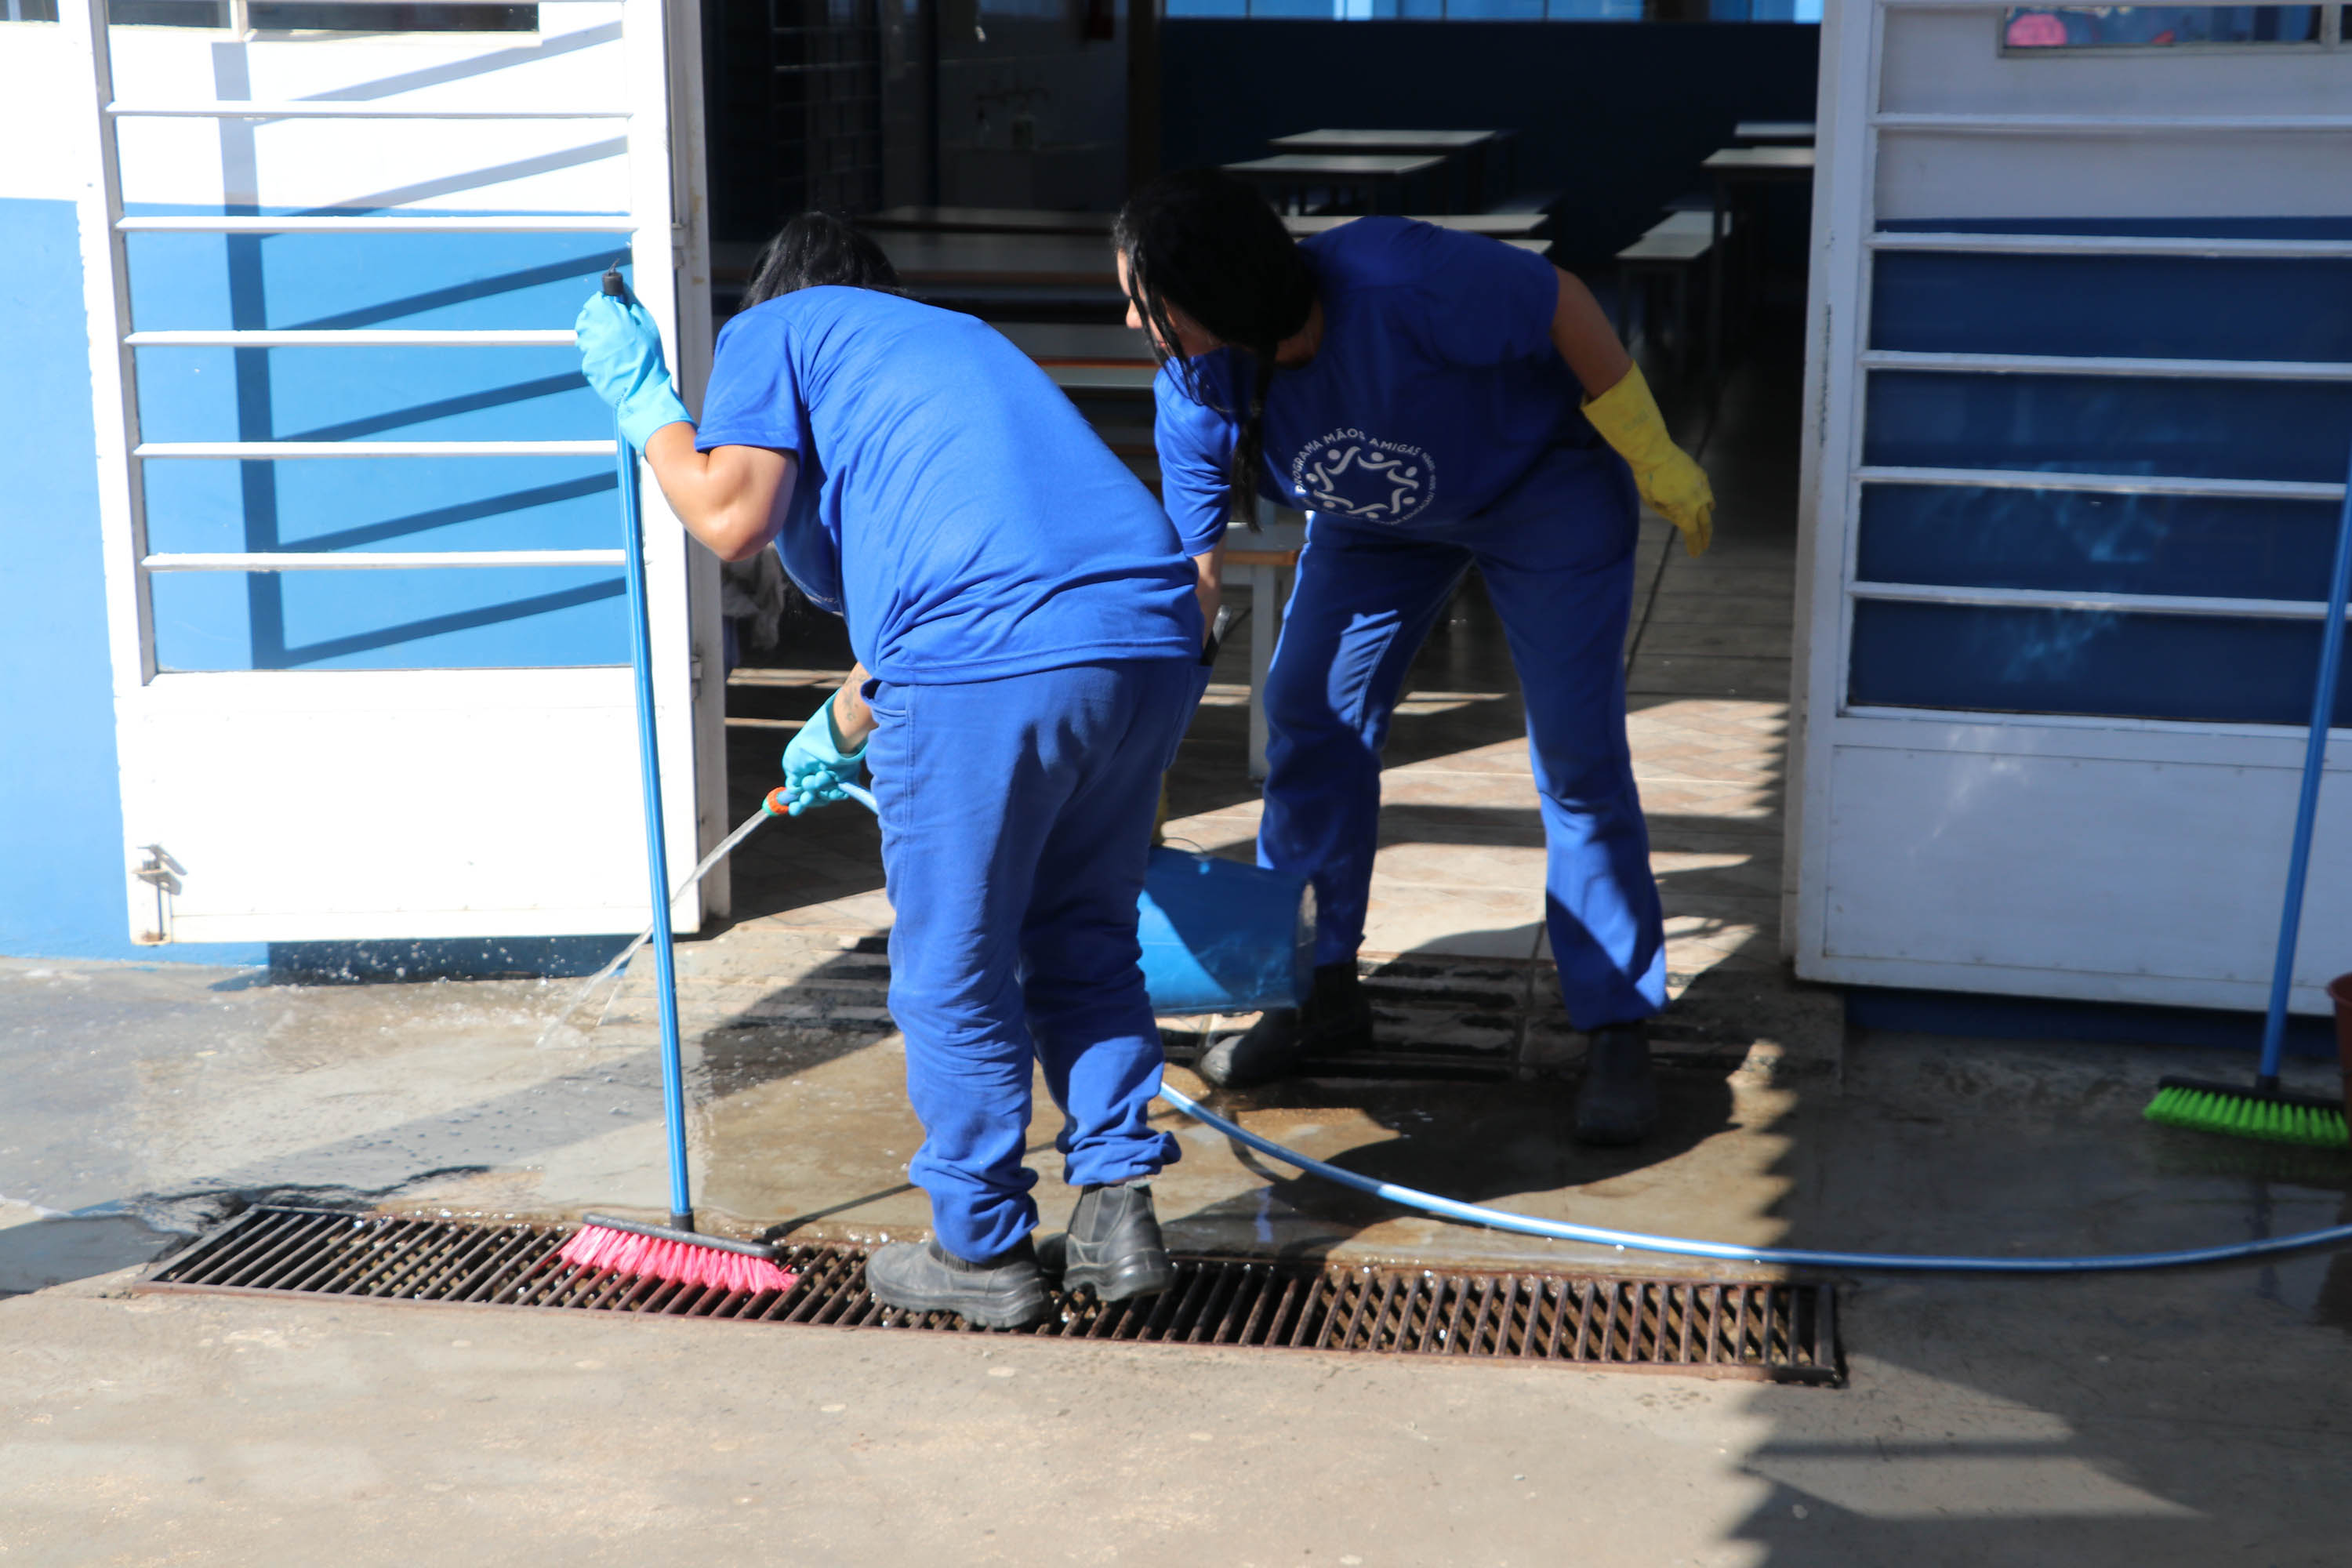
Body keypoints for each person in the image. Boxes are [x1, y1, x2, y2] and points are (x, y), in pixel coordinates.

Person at [575, 214, 1209, 1327]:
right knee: (1083, 932)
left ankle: (982, 1251)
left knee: (951, 965)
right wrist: (842, 725)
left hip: (999, 650)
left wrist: (647, 410)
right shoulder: (941, 344)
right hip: (1148, 633)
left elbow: (730, 518)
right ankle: (1116, 1215)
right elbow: (980, 580)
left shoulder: (773, 328)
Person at [1114, 172, 1715, 1146]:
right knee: (1307, 711)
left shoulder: (1397, 278)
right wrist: (1146, 737)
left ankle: (1614, 1020)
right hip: (1376, 523)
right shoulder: (1195, 384)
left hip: (1540, 491)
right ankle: (1315, 986)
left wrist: (1648, 446)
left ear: (1219, 287)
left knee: (1575, 751)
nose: (1133, 317)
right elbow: (1196, 581)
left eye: (1147, 300)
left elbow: (1561, 299)